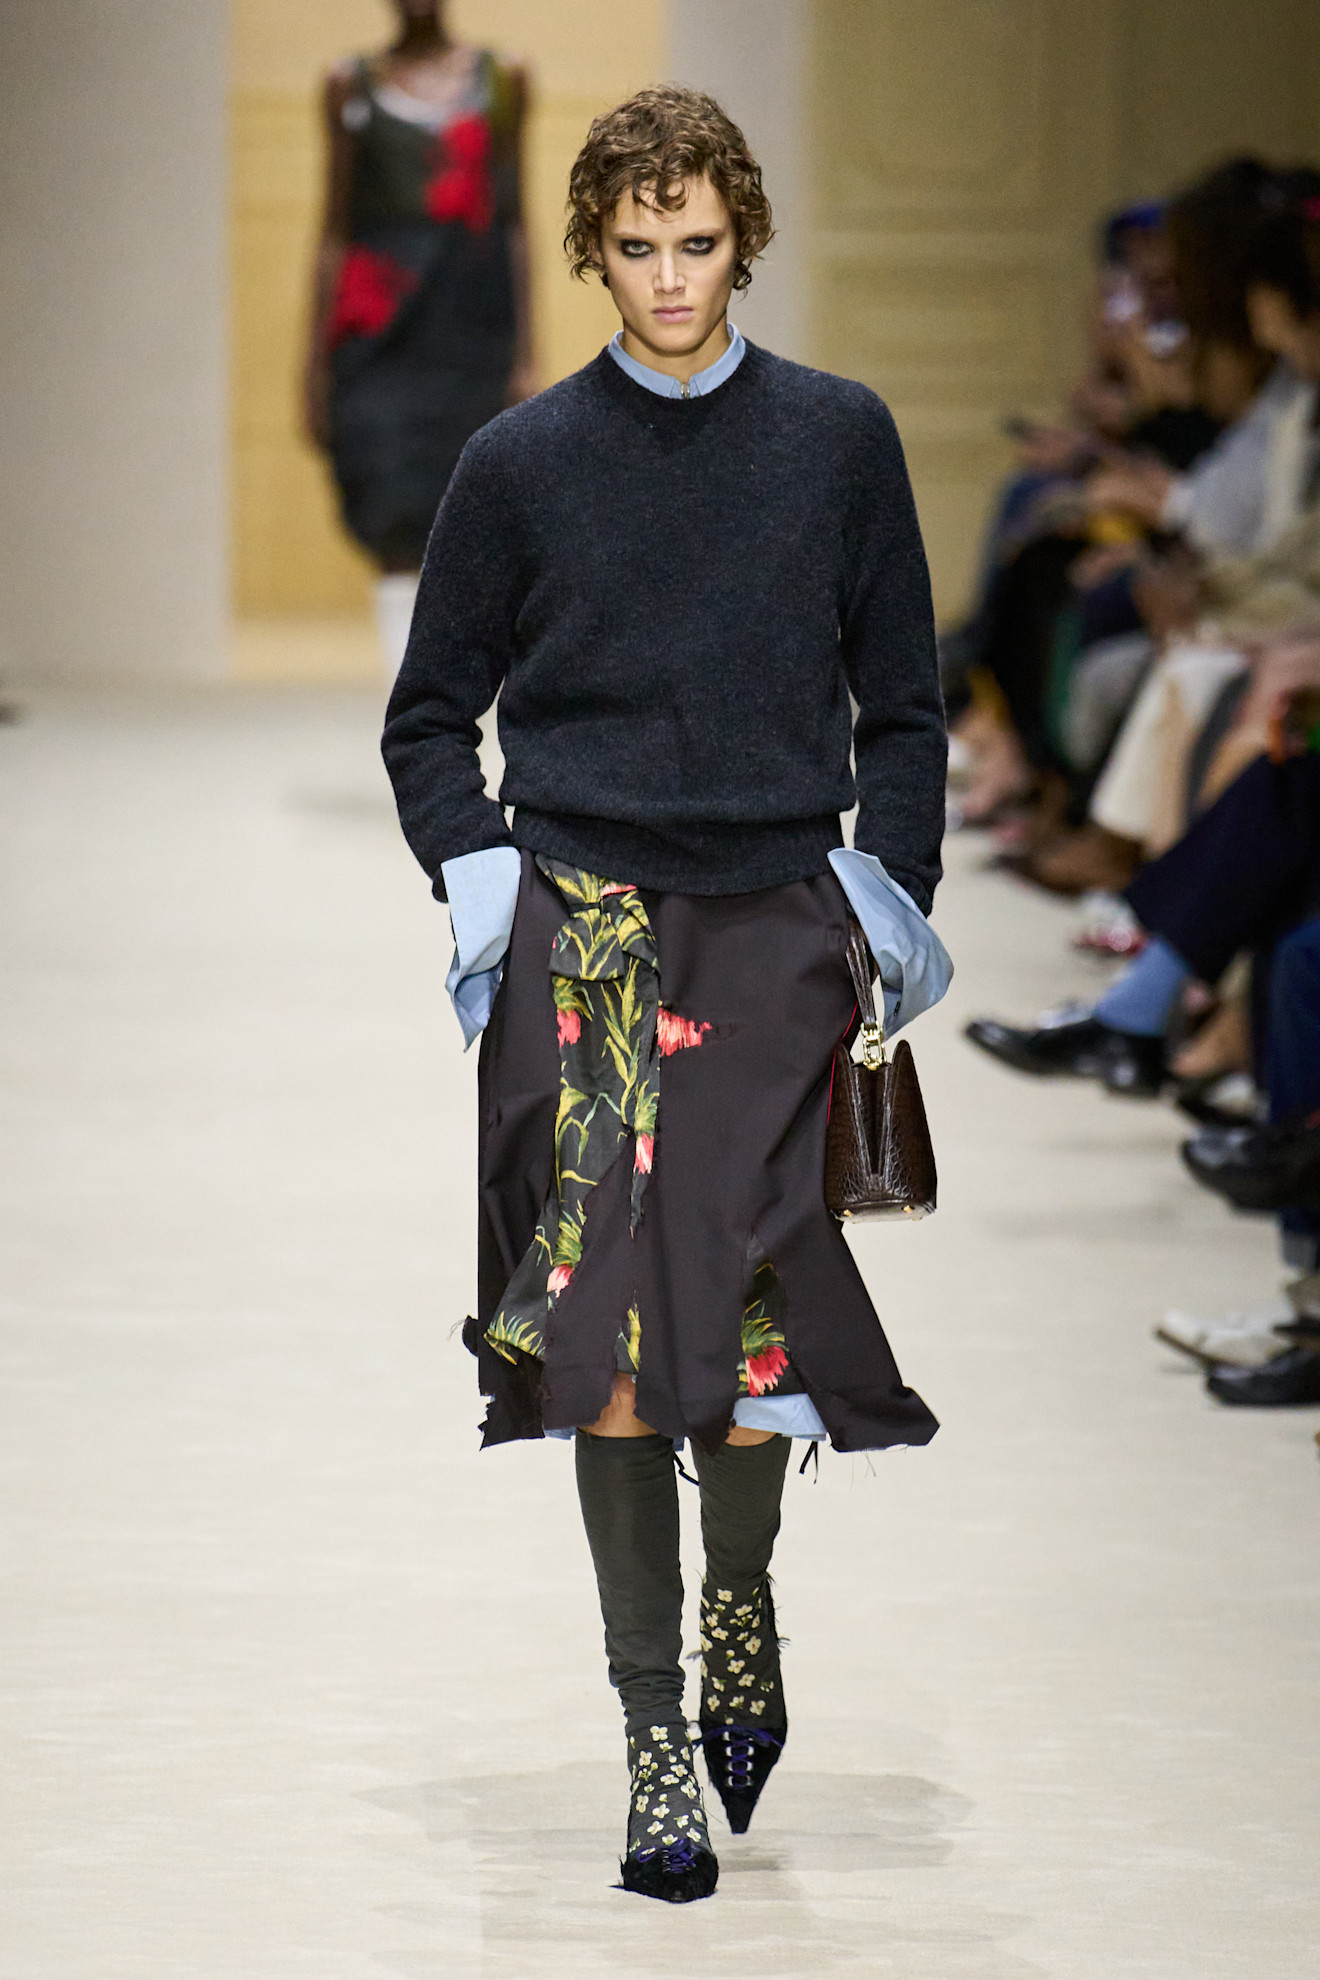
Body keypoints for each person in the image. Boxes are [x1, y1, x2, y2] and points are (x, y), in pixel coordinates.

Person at [380, 86, 951, 1902]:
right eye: (637, 249)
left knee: (749, 1338)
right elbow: (424, 716)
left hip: (777, 923)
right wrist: (486, 881)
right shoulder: (523, 463)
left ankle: (740, 1609)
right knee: (610, 1348)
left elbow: (910, 705)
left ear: (744, 236)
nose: (673, 279)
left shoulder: (840, 443)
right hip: (591, 928)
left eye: (699, 244)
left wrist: (891, 898)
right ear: (592, 251)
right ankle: (651, 1737)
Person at [304, 1, 534, 678]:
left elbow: (515, 221)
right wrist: (314, 366)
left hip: (471, 327)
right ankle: (409, 715)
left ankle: (449, 705)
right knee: (390, 510)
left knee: (468, 518)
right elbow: (333, 227)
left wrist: (525, 355)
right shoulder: (349, 83)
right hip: (377, 333)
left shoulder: (503, 79)